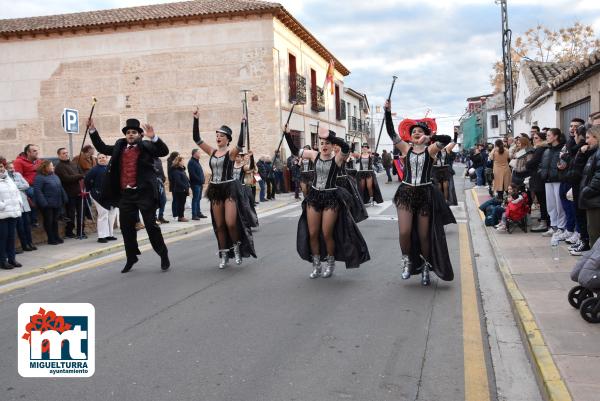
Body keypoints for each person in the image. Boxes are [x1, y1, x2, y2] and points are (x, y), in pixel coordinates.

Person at [283, 125, 370, 278]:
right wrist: (288, 135)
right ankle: (316, 265)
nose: (324, 146)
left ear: (332, 145)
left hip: (331, 197)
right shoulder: (313, 154)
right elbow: (295, 151)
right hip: (315, 196)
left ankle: (330, 263)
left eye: (327, 143)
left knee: (327, 232)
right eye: (322, 143)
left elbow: (345, 147)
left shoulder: (338, 157)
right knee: (313, 233)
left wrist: (329, 135)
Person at [385, 100, 455, 285]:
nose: (416, 132)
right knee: (405, 231)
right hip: (406, 192)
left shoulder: (431, 150)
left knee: (424, 235)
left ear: (424, 135)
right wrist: (387, 112)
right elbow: (391, 133)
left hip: (425, 193)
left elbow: (447, 139)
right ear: (410, 135)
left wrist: (430, 138)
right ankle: (407, 262)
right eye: (414, 131)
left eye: (420, 131)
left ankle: (425, 266)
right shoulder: (405, 149)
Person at [88, 117, 171, 273]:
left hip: (144, 193)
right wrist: (92, 130)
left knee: (151, 226)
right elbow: (103, 147)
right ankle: (131, 257)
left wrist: (153, 137)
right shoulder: (120, 145)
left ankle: (163, 254)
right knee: (126, 228)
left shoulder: (146, 146)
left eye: (134, 132)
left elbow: (163, 151)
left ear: (139, 134)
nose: (130, 135)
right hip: (126, 194)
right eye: (128, 132)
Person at [192, 109, 256, 268]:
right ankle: (224, 254)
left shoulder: (232, 153)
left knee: (231, 222)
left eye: (221, 135)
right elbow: (196, 139)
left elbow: (241, 143)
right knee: (219, 225)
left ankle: (236, 249)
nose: (218, 137)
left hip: (229, 188)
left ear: (227, 139)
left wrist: (243, 124)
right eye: (217, 135)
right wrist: (196, 120)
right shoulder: (212, 151)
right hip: (215, 189)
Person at [568, 125, 595, 255]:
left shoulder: (587, 150)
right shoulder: (580, 149)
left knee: (584, 217)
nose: (573, 135)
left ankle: (585, 241)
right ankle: (583, 239)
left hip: (583, 187)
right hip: (579, 185)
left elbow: (580, 170)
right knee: (580, 215)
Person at [539, 128, 567, 238]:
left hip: (558, 179)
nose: (547, 137)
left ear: (555, 136)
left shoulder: (563, 149)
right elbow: (542, 164)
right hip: (547, 180)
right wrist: (542, 173)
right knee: (551, 205)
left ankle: (561, 227)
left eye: (549, 135)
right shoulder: (547, 150)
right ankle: (553, 226)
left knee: (559, 205)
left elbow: (565, 164)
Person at [84, 153, 119, 243]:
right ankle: (101, 236)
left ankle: (110, 234)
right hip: (99, 196)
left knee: (112, 214)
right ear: (97, 160)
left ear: (107, 158)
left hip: (111, 195)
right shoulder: (94, 170)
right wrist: (92, 190)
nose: (102, 159)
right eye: (99, 158)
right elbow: (87, 180)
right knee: (103, 215)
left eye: (103, 157)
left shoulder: (111, 168)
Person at [54, 147, 86, 239]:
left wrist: (79, 176)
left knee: (81, 213)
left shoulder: (74, 163)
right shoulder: (59, 167)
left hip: (80, 192)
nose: (66, 154)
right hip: (70, 194)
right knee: (71, 214)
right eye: (63, 153)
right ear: (59, 155)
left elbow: (82, 173)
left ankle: (81, 231)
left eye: (67, 153)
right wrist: (79, 176)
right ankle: (69, 231)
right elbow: (67, 178)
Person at [33, 160, 67, 245]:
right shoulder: (39, 177)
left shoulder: (55, 176)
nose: (53, 167)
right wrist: (44, 203)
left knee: (55, 221)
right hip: (47, 204)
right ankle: (51, 238)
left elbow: (60, 187)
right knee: (49, 221)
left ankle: (56, 236)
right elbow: (38, 191)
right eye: (52, 166)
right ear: (46, 167)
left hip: (57, 202)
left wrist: (64, 197)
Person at [7, 161, 36, 252]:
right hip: (16, 205)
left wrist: (16, 187)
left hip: (24, 204)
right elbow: (10, 189)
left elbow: (26, 185)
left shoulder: (18, 175)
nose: (12, 170)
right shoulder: (6, 178)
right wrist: (18, 187)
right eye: (10, 168)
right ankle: (24, 245)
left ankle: (30, 243)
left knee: (27, 225)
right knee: (20, 227)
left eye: (13, 168)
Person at [579, 125, 600, 247]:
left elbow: (598, 178)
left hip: (595, 201)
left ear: (596, 137)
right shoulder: (593, 153)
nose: (586, 141)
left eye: (588, 137)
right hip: (593, 200)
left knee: (595, 237)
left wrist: (586, 191)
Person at [0, 158, 23, 269]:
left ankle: (12, 259)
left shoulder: (8, 178)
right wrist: (3, 206)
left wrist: (19, 203)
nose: (0, 169)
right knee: (2, 238)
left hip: (13, 212)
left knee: (11, 237)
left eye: (1, 166)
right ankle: (2, 261)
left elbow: (16, 192)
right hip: (2, 214)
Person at [526, 130, 549, 232]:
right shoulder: (541, 148)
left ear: (542, 139)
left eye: (536, 138)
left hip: (539, 178)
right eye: (533, 138)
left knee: (542, 201)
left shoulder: (540, 149)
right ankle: (545, 221)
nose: (534, 140)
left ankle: (544, 223)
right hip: (540, 177)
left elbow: (532, 163)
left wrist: (528, 164)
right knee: (543, 201)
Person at [13, 144, 42, 226]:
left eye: (37, 150)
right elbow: (18, 177)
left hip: (39, 184)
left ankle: (59, 214)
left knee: (55, 189)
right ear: (28, 152)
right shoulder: (18, 162)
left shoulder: (39, 161)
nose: (37, 152)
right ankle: (33, 219)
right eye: (34, 151)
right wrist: (31, 181)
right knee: (33, 193)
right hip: (28, 186)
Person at [233, 151, 259, 228]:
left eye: (239, 156)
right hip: (234, 188)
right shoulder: (232, 166)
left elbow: (253, 169)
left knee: (247, 206)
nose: (237, 158)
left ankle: (251, 222)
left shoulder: (244, 166)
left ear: (241, 158)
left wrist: (252, 158)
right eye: (236, 156)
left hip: (244, 187)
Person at [432, 132, 458, 205]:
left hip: (445, 169)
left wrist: (456, 134)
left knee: (446, 186)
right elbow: (432, 162)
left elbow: (454, 142)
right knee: (439, 187)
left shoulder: (447, 149)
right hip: (436, 169)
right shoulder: (433, 150)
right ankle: (440, 200)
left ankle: (445, 201)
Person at [188, 149, 207, 219]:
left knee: (198, 199)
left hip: (199, 183)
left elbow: (200, 172)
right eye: (199, 152)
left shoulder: (197, 162)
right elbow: (192, 174)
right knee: (195, 199)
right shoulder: (191, 162)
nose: (200, 154)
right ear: (194, 154)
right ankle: (194, 215)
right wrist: (200, 180)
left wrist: (203, 180)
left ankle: (198, 213)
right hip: (195, 183)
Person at [170, 155, 190, 222]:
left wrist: (188, 185)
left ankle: (181, 216)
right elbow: (178, 181)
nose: (183, 162)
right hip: (179, 190)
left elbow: (185, 179)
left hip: (183, 189)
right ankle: (180, 217)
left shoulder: (182, 170)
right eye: (182, 161)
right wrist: (185, 187)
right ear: (179, 162)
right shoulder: (175, 171)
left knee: (182, 203)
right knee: (180, 204)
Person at [153, 157, 169, 224]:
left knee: (163, 200)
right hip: (153, 182)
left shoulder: (159, 160)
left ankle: (161, 216)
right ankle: (154, 217)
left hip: (160, 182)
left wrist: (163, 178)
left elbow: (161, 170)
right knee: (154, 201)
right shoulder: (149, 158)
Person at [166, 151, 180, 219]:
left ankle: (177, 213)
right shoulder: (171, 164)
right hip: (174, 184)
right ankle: (175, 214)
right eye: (177, 156)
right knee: (175, 199)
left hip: (177, 184)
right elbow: (170, 175)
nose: (178, 157)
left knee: (177, 199)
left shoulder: (176, 163)